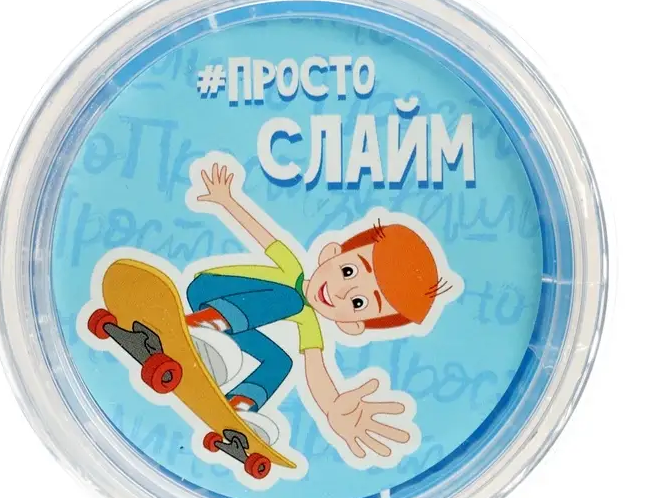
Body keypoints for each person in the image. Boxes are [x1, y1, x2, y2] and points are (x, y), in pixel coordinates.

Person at [185, 163, 453, 459]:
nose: (341, 292)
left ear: (353, 325)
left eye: (358, 303)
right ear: (331, 253)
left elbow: (316, 370)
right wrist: (227, 199)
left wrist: (332, 407)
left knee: (281, 362)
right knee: (290, 299)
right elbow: (261, 234)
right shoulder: (292, 270)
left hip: (229, 327)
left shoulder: (308, 323)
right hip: (209, 290)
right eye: (349, 271)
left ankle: (239, 406)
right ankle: (204, 324)